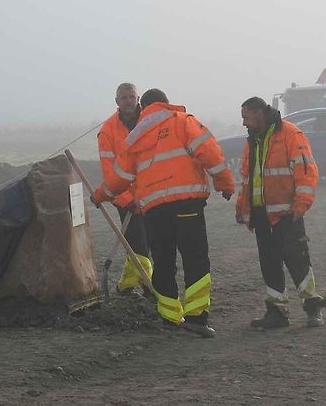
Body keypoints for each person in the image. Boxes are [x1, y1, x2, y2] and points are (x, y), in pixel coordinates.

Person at [91, 89, 235, 338]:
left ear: (143, 107)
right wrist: (224, 183)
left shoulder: (135, 137)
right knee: (195, 258)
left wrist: (99, 195)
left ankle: (169, 316)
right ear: (166, 104)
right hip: (187, 204)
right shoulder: (183, 122)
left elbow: (120, 177)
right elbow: (210, 153)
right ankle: (197, 318)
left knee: (163, 261)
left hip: (155, 210)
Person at [235, 97, 326, 329]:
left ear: (258, 113)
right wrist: (242, 206)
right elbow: (248, 177)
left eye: (246, 117)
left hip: (287, 214)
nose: (244, 123)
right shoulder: (253, 140)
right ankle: (276, 312)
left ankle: (312, 306)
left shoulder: (290, 134)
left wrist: (301, 204)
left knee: (298, 260)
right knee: (270, 264)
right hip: (261, 214)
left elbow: (306, 171)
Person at [97, 83, 152, 296]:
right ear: (117, 102)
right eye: (124, 97)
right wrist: (128, 198)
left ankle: (126, 285)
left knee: (151, 243)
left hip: (151, 196)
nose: (129, 101)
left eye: (132, 97)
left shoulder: (150, 121)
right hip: (125, 200)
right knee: (139, 246)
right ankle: (149, 288)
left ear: (138, 98)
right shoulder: (108, 131)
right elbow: (110, 172)